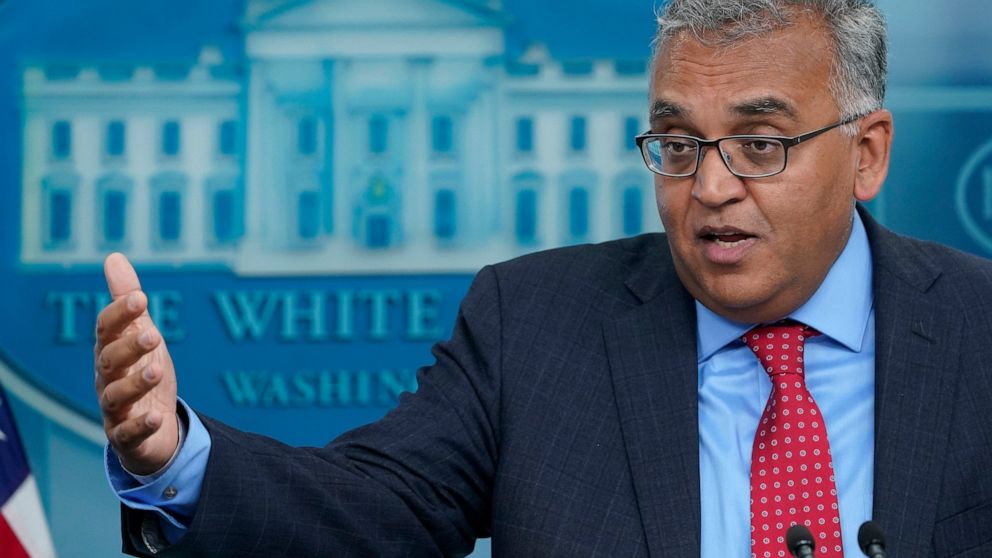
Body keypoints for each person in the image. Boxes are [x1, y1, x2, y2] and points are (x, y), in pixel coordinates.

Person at [94, 0, 992, 556]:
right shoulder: (532, 324)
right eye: (677, 146)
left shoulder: (979, 332)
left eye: (760, 145)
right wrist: (172, 454)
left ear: (866, 154)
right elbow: (375, 509)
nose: (711, 187)